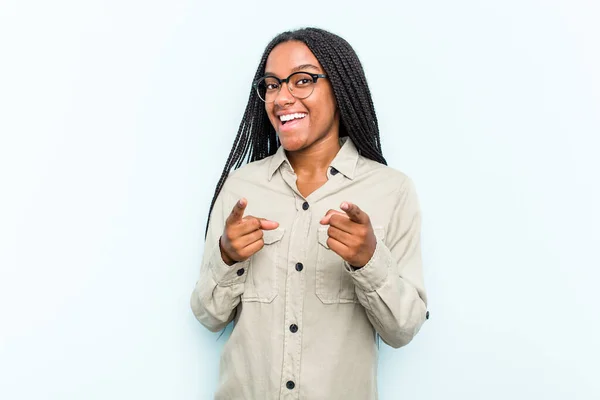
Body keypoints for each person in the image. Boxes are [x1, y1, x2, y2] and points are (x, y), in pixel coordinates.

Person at [190, 27, 429, 400]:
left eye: (302, 81)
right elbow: (208, 316)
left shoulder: (391, 191)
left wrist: (369, 261)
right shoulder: (241, 189)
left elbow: (403, 329)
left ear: (341, 88)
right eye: (271, 84)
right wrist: (227, 256)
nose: (282, 97)